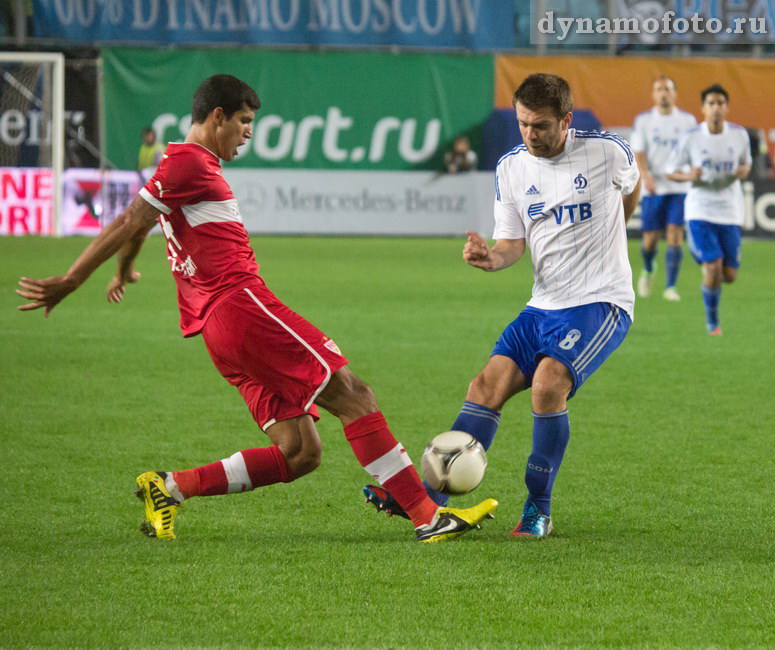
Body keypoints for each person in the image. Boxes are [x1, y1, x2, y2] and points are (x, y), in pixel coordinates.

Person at [16, 74, 497, 542]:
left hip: (218, 330)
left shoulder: (180, 165)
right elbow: (129, 219)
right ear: (217, 115)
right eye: (244, 121)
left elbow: (140, 224)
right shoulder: (190, 163)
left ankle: (170, 487)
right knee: (354, 394)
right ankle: (426, 515)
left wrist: (123, 271)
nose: (248, 132)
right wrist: (73, 279)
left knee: (300, 452)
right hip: (242, 308)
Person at [364, 73, 640, 538]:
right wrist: (491, 259)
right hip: (542, 305)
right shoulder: (512, 167)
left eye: (542, 126)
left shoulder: (606, 152)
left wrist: (620, 228)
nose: (530, 134)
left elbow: (632, 186)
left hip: (601, 301)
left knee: (548, 383)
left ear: (566, 120)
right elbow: (512, 242)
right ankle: (429, 501)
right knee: (485, 386)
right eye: (523, 124)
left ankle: (539, 507)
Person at [666, 84, 751, 335]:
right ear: (703, 108)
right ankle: (712, 321)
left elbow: (746, 163)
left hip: (730, 211)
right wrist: (689, 175)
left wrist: (744, 171)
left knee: (730, 275)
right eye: (711, 103)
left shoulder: (739, 135)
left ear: (727, 107)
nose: (716, 108)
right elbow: (672, 171)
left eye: (720, 103)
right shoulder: (691, 137)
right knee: (713, 265)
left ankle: (705, 257)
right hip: (700, 209)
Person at [631, 76, 697, 301]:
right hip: (654, 187)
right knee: (649, 239)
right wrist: (645, 176)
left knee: (675, 235)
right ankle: (649, 268)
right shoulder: (644, 121)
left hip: (679, 186)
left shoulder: (687, 121)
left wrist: (690, 174)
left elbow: (693, 151)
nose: (664, 93)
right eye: (659, 89)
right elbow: (639, 151)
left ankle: (670, 286)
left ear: (675, 93)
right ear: (653, 94)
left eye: (668, 89)